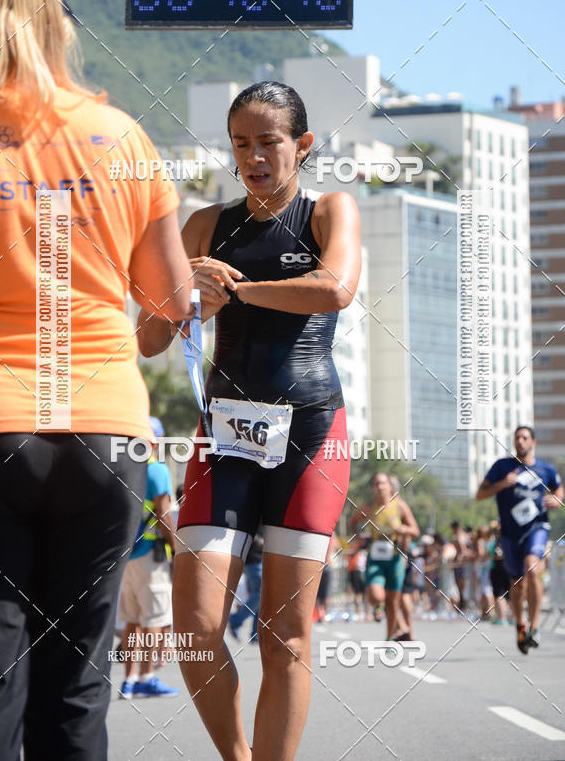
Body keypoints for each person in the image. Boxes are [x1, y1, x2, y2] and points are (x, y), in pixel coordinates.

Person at [0, 0, 192, 761]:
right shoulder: (119, 135)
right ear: (54, 15)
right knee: (77, 685)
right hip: (105, 429)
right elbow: (168, 304)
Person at [138, 81, 361, 761]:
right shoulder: (205, 225)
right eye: (241, 143)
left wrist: (233, 290)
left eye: (269, 141)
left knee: (285, 634)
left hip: (310, 432)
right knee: (196, 625)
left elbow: (336, 287)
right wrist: (185, 294)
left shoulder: (329, 209)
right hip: (223, 434)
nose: (255, 155)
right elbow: (148, 337)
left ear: (302, 144)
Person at [476, 426, 563, 653]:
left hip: (537, 527)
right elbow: (480, 494)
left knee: (533, 569)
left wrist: (556, 499)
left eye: (525, 438)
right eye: (517, 438)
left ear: (533, 442)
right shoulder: (502, 467)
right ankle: (520, 626)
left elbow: (558, 489)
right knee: (517, 585)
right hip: (509, 533)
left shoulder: (545, 468)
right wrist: (502, 484)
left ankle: (534, 628)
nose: (520, 441)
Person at [119, 418, 179, 698]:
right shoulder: (156, 471)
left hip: (125, 556)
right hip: (150, 557)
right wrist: (178, 550)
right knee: (154, 618)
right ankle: (147, 676)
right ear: (155, 441)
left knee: (132, 621)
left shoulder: (122, 468)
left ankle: (128, 680)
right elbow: (164, 516)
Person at [351, 472, 420, 640]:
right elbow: (353, 521)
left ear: (390, 486)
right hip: (375, 558)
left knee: (393, 602)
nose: (380, 487)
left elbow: (415, 531)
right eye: (376, 484)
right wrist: (358, 537)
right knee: (376, 595)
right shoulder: (368, 507)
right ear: (373, 488)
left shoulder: (400, 506)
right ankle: (378, 607)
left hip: (395, 558)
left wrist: (402, 529)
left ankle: (389, 638)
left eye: (383, 483)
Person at [228, 524, 264, 643]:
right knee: (260, 594)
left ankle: (255, 634)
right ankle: (235, 620)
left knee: (259, 596)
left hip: (255, 558)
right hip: (254, 558)